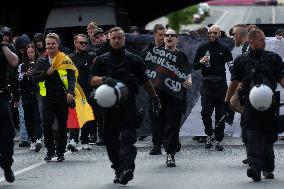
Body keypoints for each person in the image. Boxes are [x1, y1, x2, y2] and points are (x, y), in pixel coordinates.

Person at [89, 27, 161, 185]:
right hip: (108, 108)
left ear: (124, 39)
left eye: (119, 38)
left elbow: (145, 81)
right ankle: (118, 168)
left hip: (128, 106)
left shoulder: (134, 60)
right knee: (110, 140)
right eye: (113, 38)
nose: (116, 40)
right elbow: (91, 79)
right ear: (109, 39)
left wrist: (154, 97)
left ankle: (127, 168)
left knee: (128, 139)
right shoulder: (101, 59)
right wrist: (103, 79)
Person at [224, 28, 284, 181]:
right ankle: (255, 167)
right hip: (249, 104)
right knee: (252, 134)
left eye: (264, 39)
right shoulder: (241, 60)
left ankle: (268, 168)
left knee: (268, 135)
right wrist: (227, 101)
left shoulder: (274, 58)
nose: (265, 42)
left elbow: (282, 79)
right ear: (251, 42)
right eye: (261, 39)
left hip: (270, 103)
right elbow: (234, 82)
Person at [32, 33, 76, 162]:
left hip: (63, 97)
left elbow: (72, 76)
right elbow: (34, 77)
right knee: (47, 126)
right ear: (46, 46)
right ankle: (50, 151)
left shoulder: (65, 58)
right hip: (48, 98)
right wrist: (46, 73)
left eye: (53, 43)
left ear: (57, 44)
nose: (50, 46)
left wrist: (71, 92)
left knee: (62, 126)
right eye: (48, 44)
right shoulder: (42, 60)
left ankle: (60, 152)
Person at [151, 29, 192, 167]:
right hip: (159, 94)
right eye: (166, 35)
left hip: (176, 94)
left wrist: (189, 80)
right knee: (161, 124)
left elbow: (187, 72)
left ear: (177, 39)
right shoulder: (155, 54)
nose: (168, 37)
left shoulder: (181, 55)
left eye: (172, 36)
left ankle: (170, 154)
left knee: (172, 124)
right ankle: (166, 143)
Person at [193, 25, 233, 151]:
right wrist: (201, 62)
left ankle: (219, 140)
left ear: (219, 34)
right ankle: (209, 135)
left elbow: (231, 67)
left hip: (221, 84)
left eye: (214, 33)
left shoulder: (225, 49)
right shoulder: (202, 48)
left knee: (220, 114)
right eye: (210, 33)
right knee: (205, 112)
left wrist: (237, 81)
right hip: (207, 84)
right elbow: (194, 66)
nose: (211, 35)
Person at [67, 34, 96, 151]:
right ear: (75, 44)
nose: (84, 45)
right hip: (74, 90)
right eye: (81, 43)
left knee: (86, 115)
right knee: (74, 114)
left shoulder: (91, 56)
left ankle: (85, 139)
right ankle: (73, 140)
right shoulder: (70, 58)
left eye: (85, 43)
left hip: (88, 89)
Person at [142, 23, 166, 155]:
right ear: (155, 35)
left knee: (168, 117)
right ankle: (157, 144)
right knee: (155, 117)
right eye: (160, 35)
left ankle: (170, 141)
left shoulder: (171, 50)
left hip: (169, 90)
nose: (163, 38)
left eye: (165, 35)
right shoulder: (147, 51)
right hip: (154, 90)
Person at [0, 26, 19, 182]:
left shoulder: (5, 47)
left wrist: (2, 45)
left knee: (8, 135)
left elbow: (14, 62)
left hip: (1, 96)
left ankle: (7, 165)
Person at [18, 44, 43, 152]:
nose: (30, 54)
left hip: (38, 93)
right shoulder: (22, 65)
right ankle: (32, 139)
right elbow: (19, 80)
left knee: (37, 116)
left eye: (32, 52)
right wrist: (26, 75)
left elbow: (44, 76)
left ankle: (38, 138)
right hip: (26, 94)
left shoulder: (40, 63)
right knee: (28, 118)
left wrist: (36, 74)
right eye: (28, 52)